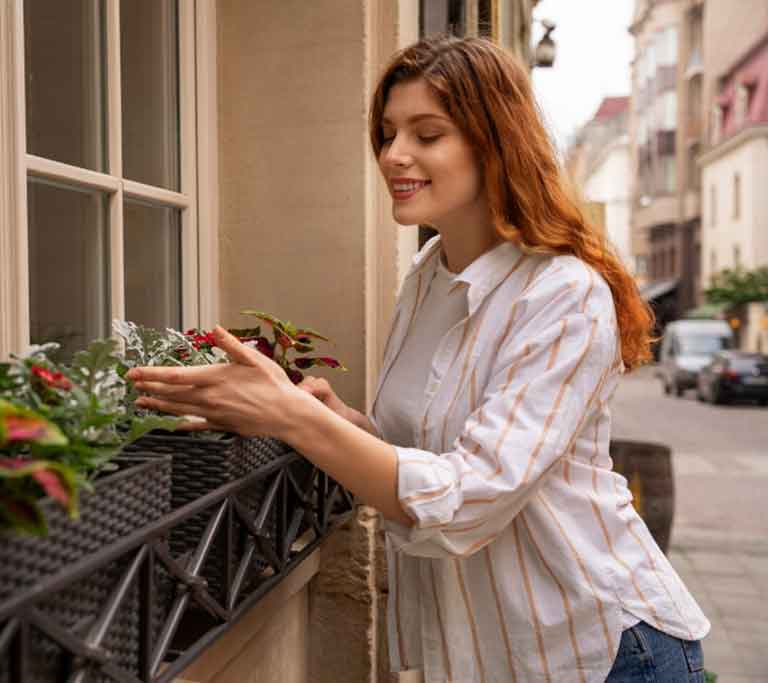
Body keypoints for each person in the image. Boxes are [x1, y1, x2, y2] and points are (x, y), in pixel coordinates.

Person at [126, 36, 709, 682]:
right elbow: (425, 451)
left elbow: (468, 499)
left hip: (598, 652)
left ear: (495, 142)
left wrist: (295, 419)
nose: (393, 154)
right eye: (386, 132)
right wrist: (342, 423)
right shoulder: (426, 276)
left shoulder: (564, 295)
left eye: (427, 134)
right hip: (489, 658)